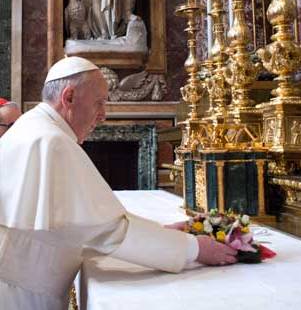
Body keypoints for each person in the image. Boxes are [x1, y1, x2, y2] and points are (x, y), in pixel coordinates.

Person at [0, 56, 237, 310]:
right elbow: (106, 231)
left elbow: (84, 221)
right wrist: (194, 249)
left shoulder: (36, 127)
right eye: (99, 103)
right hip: (23, 292)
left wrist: (161, 230)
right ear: (68, 98)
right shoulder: (50, 140)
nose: (103, 115)